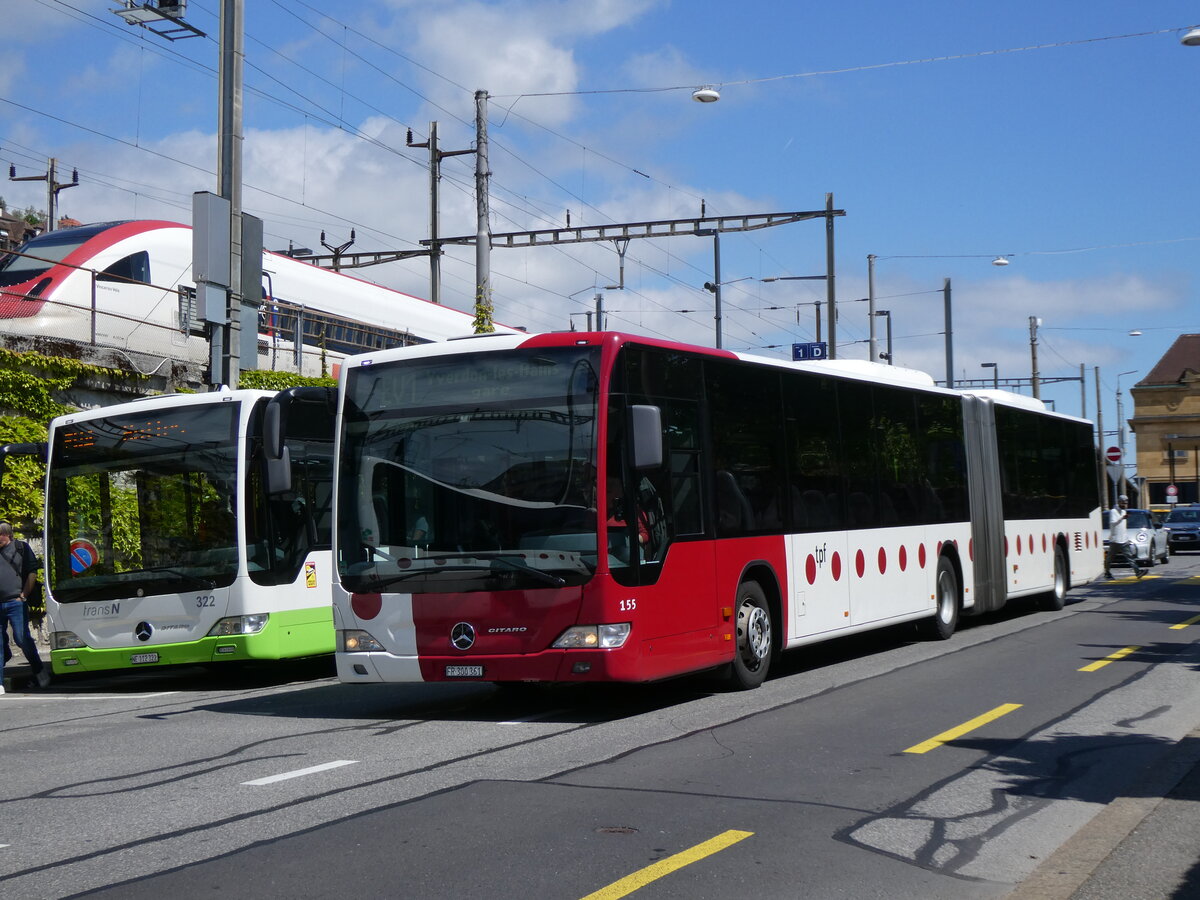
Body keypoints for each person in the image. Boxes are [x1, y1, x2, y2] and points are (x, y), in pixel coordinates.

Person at [0, 521, 50, 693]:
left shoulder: (21, 548)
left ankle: (39, 671)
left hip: (16, 602)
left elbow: (32, 572)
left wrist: (24, 595)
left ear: (6, 534)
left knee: (22, 638)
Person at [1105, 495, 1145, 579]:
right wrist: (1122, 518)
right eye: (1123, 503)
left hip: (1123, 539)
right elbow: (1113, 523)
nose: (1124, 505)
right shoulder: (1113, 511)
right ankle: (1107, 572)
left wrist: (1126, 537)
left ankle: (1137, 572)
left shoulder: (1124, 511)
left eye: (1126, 503)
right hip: (1115, 540)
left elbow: (1123, 526)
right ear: (1119, 502)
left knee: (1130, 557)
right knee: (1109, 558)